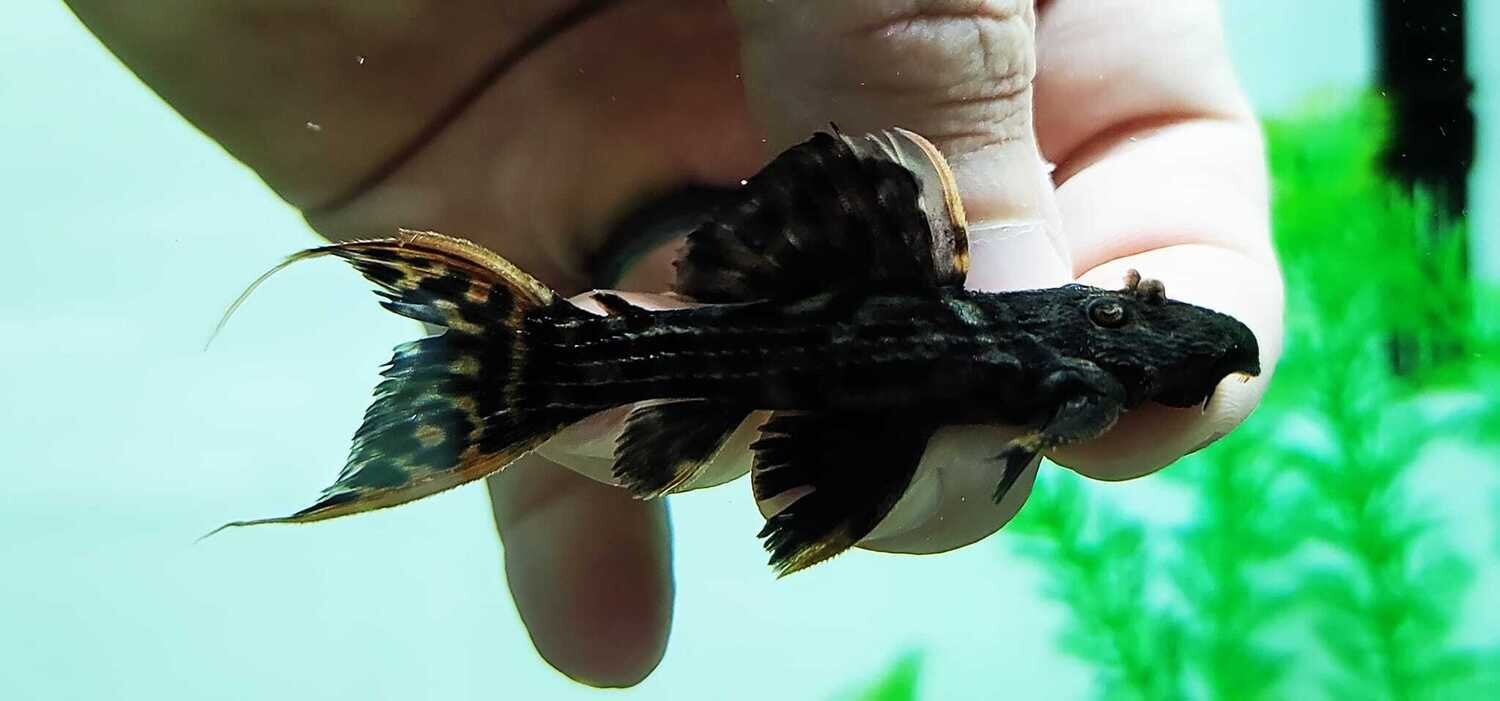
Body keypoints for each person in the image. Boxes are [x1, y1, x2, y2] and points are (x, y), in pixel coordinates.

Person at [66, 0, 1282, 688]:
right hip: (781, 350)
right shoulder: (1077, 380)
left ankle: (534, 370)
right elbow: (1059, 412)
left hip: (764, 352)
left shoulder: (1089, 365)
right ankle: (538, 373)